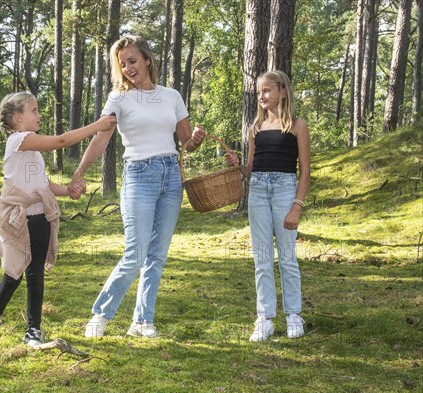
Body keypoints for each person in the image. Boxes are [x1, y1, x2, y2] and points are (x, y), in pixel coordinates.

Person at [71, 35, 205, 339]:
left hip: (171, 176)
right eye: (123, 64)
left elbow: (186, 143)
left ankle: (143, 321)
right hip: (139, 176)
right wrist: (79, 172)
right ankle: (100, 314)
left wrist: (196, 138)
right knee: (136, 252)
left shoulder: (171, 95)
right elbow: (101, 138)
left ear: (147, 59)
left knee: (157, 254)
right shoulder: (118, 98)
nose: (128, 68)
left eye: (133, 60)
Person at [0, 91, 116, 346]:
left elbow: (41, 184)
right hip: (17, 221)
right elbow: (61, 141)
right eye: (34, 111)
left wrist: (67, 191)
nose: (39, 115)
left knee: (35, 275)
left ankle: (33, 330)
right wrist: (97, 126)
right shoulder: (17, 141)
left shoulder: (33, 151)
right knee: (12, 275)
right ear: (18, 117)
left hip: (39, 218)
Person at [225, 70, 311, 342]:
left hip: (286, 190)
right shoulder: (255, 129)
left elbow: (306, 171)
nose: (262, 96)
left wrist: (296, 206)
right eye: (259, 92)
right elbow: (251, 171)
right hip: (258, 192)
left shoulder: (297, 126)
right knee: (262, 258)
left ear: (282, 92)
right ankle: (264, 317)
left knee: (287, 256)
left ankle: (294, 314)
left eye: (267, 90)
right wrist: (238, 165)